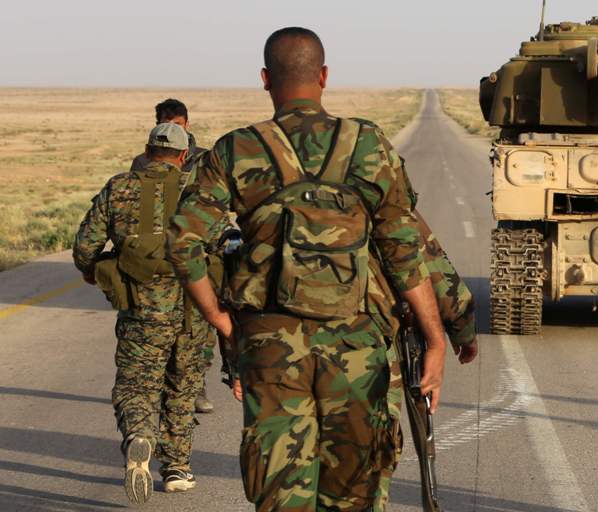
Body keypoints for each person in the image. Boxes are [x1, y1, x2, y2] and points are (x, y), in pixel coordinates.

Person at [167, 26, 478, 511]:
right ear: (325, 76)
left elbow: (182, 241)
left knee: (281, 489)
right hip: (358, 344)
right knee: (356, 489)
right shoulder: (369, 145)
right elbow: (404, 250)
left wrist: (223, 322)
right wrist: (437, 340)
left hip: (271, 347)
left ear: (266, 79)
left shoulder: (237, 149)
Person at [73, 123, 230, 504]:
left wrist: (93, 272)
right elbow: (225, 244)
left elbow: (85, 245)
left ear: (146, 152)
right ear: (182, 156)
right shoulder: (198, 193)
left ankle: (140, 435)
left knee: (136, 384)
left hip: (142, 310)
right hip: (195, 307)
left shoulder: (120, 187)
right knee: (183, 385)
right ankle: (176, 468)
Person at [130, 97, 219, 414]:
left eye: (177, 124)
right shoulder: (142, 163)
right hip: (157, 256)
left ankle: (195, 385)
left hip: (194, 250)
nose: (170, 129)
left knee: (199, 331)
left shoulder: (204, 159)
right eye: (164, 124)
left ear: (187, 124)